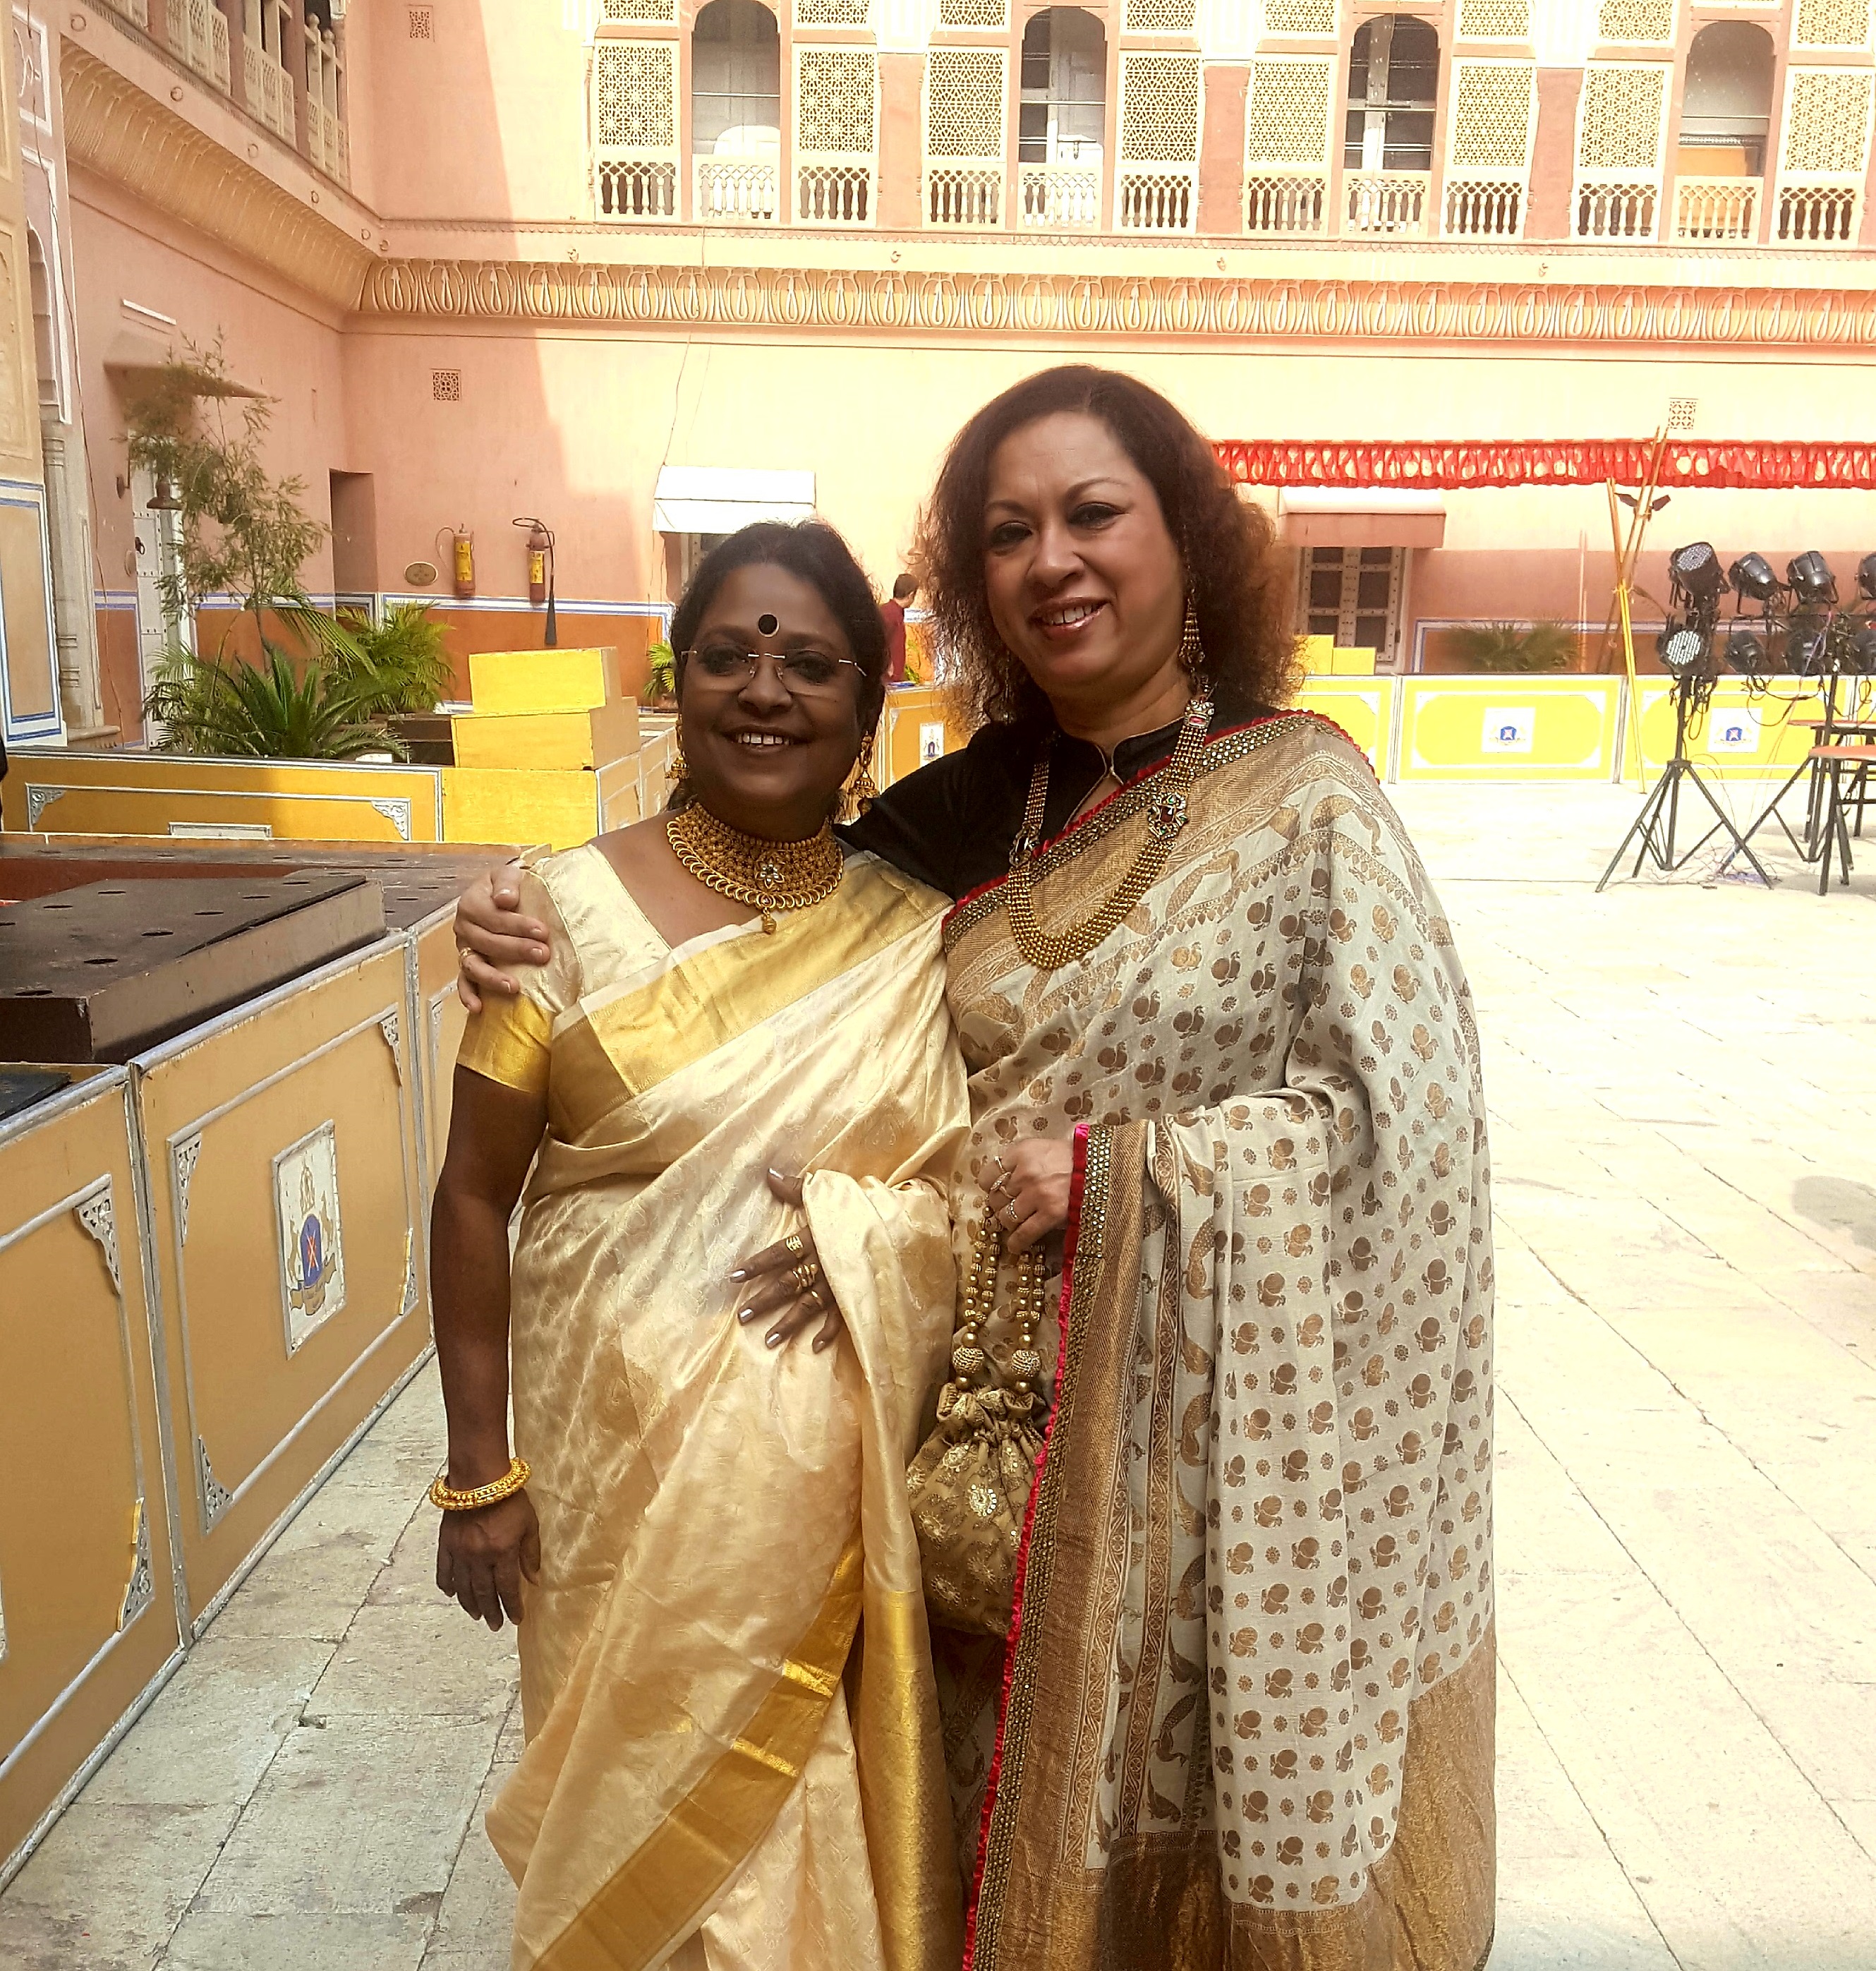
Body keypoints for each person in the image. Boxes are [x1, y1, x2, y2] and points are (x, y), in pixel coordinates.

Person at [457, 366, 1495, 1971]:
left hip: (1215, 1443)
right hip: (976, 1451)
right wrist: (522, 915)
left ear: (1184, 537)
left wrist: (1135, 1175)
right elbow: (752, 904)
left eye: (1091, 514)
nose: (1049, 561)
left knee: (1202, 1831)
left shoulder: (1305, 800)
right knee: (959, 1831)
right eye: (1006, 532)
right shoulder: (962, 810)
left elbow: (1404, 1125)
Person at [430, 520, 967, 1971]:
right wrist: (478, 1469)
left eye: (810, 663)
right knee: (629, 1792)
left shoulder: (919, 937)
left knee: (810, 1809)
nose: (765, 689)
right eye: (727, 655)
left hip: (825, 1490)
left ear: (865, 702)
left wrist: (880, 1238)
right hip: (608, 1470)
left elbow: (965, 1186)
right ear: (678, 685)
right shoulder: (550, 912)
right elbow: (472, 1193)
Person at [881, 572, 916, 685]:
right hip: (888, 680)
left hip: (893, 679)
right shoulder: (890, 614)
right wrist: (888, 665)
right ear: (911, 595)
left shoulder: (894, 613)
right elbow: (877, 641)